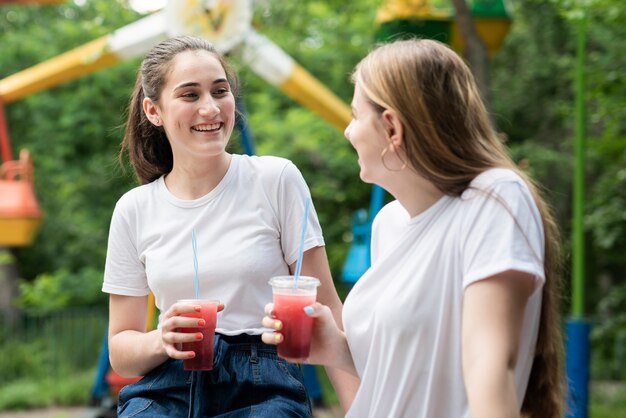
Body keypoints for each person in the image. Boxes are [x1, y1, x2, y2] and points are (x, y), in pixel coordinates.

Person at [262, 38, 565, 418]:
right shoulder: (388, 224)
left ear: (392, 127)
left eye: (356, 116)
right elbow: (412, 380)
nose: (348, 132)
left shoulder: (494, 199)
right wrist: (337, 349)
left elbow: (490, 369)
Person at [102, 35, 357, 417]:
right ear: (153, 111)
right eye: (190, 95)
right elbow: (121, 349)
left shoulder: (276, 179)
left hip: (264, 383)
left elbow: (326, 307)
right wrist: (161, 339)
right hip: (167, 385)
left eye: (219, 91)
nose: (210, 108)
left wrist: (363, 409)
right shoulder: (134, 209)